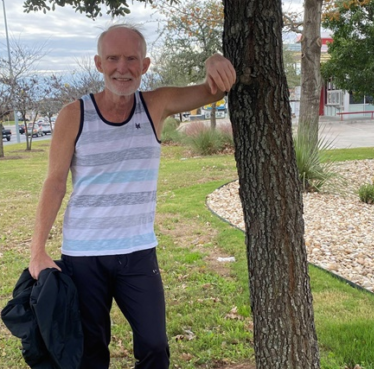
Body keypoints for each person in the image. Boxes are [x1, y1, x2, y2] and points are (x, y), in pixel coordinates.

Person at [27, 23, 236, 369]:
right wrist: (37, 251)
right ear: (98, 63)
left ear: (145, 65)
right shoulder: (73, 115)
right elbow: (54, 183)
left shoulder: (156, 105)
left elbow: (211, 90)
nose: (121, 68)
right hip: (83, 253)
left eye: (131, 59)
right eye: (112, 58)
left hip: (137, 252)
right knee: (90, 351)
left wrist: (213, 60)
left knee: (155, 346)